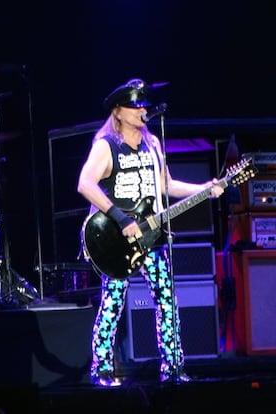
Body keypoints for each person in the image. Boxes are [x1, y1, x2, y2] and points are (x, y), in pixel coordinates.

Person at [77, 78, 225, 386]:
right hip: (117, 237)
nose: (143, 110)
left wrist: (205, 189)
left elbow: (166, 186)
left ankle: (173, 367)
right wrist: (119, 218)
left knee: (167, 299)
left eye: (144, 105)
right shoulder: (106, 146)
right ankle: (102, 369)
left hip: (151, 235)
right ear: (118, 112)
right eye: (135, 106)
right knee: (113, 300)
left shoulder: (153, 143)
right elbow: (85, 184)